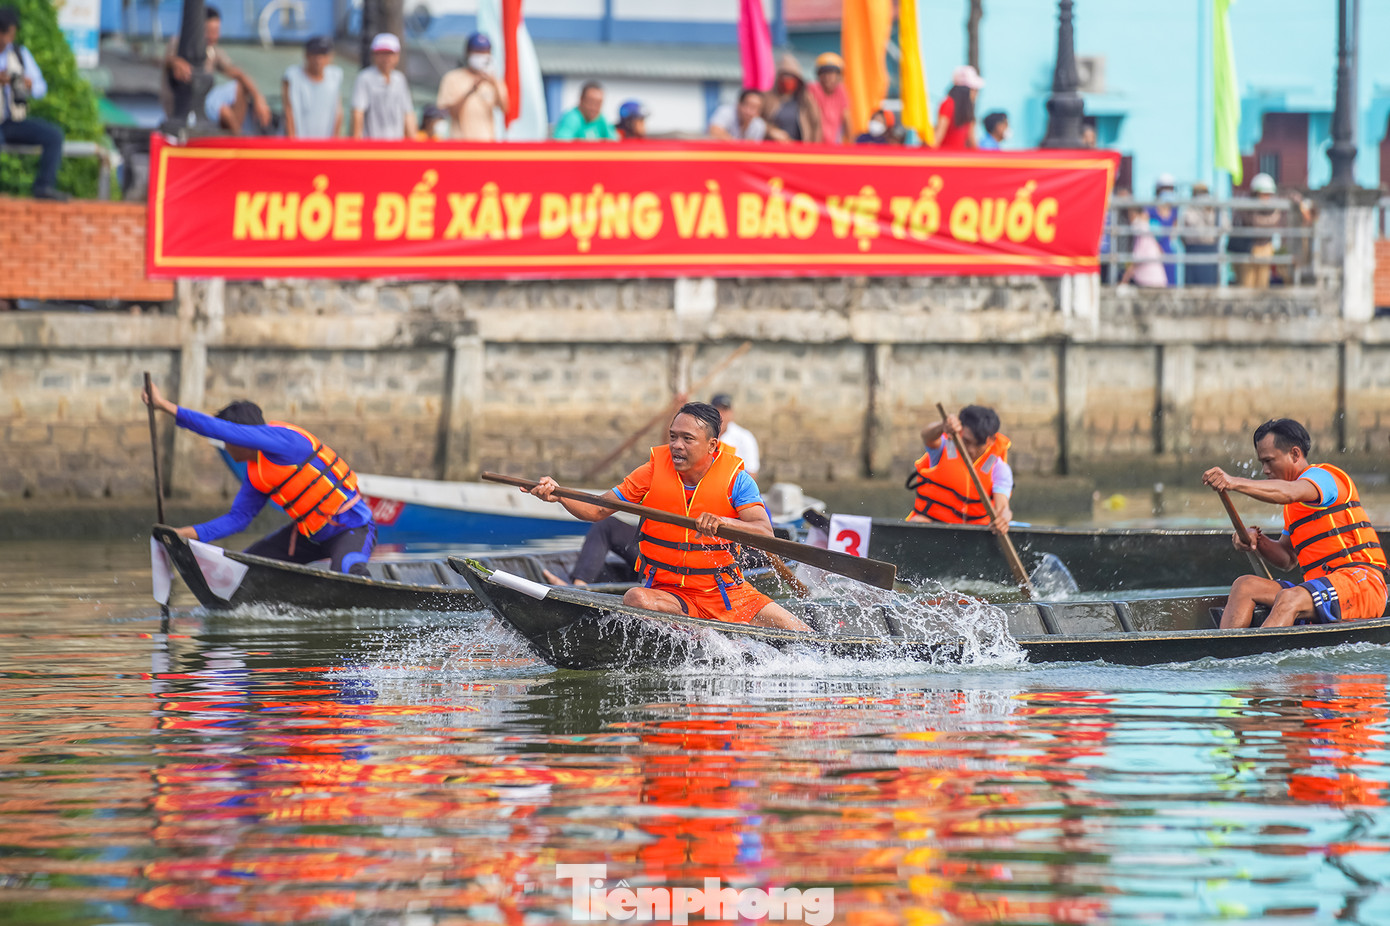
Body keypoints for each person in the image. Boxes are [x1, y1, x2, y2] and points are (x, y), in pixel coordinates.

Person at [525, 403, 809, 631]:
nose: (676, 445)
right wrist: (559, 495)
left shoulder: (738, 480)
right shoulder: (651, 472)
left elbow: (763, 532)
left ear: (712, 445)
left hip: (727, 593)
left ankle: (707, 630)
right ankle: (699, 632)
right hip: (670, 594)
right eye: (673, 436)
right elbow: (597, 510)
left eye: (687, 439)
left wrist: (725, 523)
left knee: (804, 635)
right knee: (635, 597)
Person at [140, 382, 377, 576]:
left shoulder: (284, 442)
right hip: (309, 537)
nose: (225, 445)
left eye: (228, 439)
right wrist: (180, 535)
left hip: (352, 527)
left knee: (348, 571)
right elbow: (238, 519)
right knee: (245, 566)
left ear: (242, 437)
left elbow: (220, 430)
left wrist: (163, 406)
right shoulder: (256, 474)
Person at [1202, 418, 1387, 629]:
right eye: (1261, 462)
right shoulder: (1294, 507)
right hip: (1320, 589)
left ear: (1295, 454)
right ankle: (1226, 655)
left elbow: (1288, 493)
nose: (1265, 470)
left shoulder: (1324, 477)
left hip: (1362, 584)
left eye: (1269, 461)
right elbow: (1288, 558)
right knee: (1244, 585)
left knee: (1290, 598)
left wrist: (1233, 482)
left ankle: (1262, 659)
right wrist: (1258, 540)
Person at [163, 6, 272, 134]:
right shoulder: (179, 44)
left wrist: (259, 98)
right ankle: (238, 137)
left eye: (217, 31)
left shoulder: (213, 51)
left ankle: (235, 137)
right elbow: (164, 61)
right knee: (223, 111)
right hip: (181, 108)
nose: (214, 36)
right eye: (210, 31)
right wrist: (175, 61)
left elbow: (237, 73)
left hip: (204, 104)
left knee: (239, 87)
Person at [906, 405, 1012, 533]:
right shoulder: (945, 447)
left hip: (974, 532)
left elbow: (1003, 508)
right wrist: (942, 426)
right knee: (917, 522)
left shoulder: (999, 468)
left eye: (978, 445)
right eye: (966, 441)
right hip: (934, 525)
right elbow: (927, 436)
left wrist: (1003, 520)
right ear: (960, 431)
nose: (971, 450)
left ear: (991, 440)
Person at [0, 8, 66, 201]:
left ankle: (43, 187)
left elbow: (40, 88)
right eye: (7, 33)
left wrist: (29, 84)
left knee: (54, 136)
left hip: (14, 120)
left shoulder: (19, 54)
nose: (9, 38)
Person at [435, 32, 507, 142]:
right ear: (468, 53)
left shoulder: (494, 80)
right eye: (477, 51)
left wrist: (494, 84)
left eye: (485, 51)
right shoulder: (452, 78)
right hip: (460, 145)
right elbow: (450, 113)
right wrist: (471, 90)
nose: (481, 55)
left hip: (487, 144)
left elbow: (506, 109)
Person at [351, 33, 415, 140]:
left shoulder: (399, 79)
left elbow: (408, 113)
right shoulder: (365, 78)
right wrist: (357, 141)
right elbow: (358, 112)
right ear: (374, 55)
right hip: (372, 145)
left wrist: (413, 142)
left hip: (397, 143)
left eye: (390, 53)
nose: (386, 58)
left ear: (397, 56)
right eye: (382, 53)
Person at [282, 36, 342, 139]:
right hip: (298, 143)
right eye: (315, 54)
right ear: (306, 55)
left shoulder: (335, 76)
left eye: (323, 54)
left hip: (325, 143)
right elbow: (288, 111)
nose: (318, 59)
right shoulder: (292, 76)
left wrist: (334, 142)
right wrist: (292, 144)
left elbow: (338, 112)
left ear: (330, 57)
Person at [1232, 172, 1281, 289]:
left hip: (1265, 248)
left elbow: (1266, 223)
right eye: (1263, 194)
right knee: (1246, 284)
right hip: (1248, 249)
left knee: (1262, 285)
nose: (1266, 198)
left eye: (1268, 194)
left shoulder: (1274, 210)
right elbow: (1251, 222)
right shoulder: (1245, 208)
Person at [762, 53, 821, 143]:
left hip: (800, 151)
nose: (787, 80)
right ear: (778, 78)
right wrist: (771, 131)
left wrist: (815, 150)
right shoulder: (767, 98)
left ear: (797, 80)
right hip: (773, 149)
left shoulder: (805, 99)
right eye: (784, 76)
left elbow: (816, 125)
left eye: (791, 77)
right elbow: (757, 122)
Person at [1180, 181, 1221, 286]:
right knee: (1192, 288)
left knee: (1211, 287)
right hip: (1193, 250)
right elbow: (1184, 231)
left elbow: (1223, 228)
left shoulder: (1215, 209)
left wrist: (1209, 210)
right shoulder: (1189, 210)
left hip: (1210, 250)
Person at [710, 394, 759, 481]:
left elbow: (752, 472)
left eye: (725, 410)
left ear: (731, 413)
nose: (721, 414)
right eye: (717, 409)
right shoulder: (701, 435)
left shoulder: (745, 437)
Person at [933, 65, 983, 150]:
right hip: (950, 158)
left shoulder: (966, 108)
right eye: (974, 89)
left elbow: (973, 142)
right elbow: (938, 138)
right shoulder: (948, 104)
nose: (976, 93)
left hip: (955, 158)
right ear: (965, 90)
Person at [1118, 204, 1168, 288]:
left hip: (1149, 281)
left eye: (1131, 214)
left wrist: (1124, 279)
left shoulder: (1140, 228)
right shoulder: (1146, 228)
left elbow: (1138, 258)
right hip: (1155, 279)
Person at [807, 52, 849, 144]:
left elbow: (847, 119)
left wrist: (851, 146)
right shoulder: (812, 90)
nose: (827, 77)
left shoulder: (841, 92)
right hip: (814, 144)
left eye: (831, 73)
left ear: (839, 76)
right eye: (823, 73)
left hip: (834, 146)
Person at [553, 81, 618, 141]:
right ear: (581, 100)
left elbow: (614, 142)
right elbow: (562, 144)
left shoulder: (602, 119)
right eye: (591, 102)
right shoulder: (572, 118)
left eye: (598, 103)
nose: (594, 107)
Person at [1147, 174, 1180, 286]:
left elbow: (1175, 229)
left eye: (1170, 189)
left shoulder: (1175, 209)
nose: (1167, 192)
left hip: (1168, 251)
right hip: (1153, 252)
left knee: (1170, 283)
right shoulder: (1150, 209)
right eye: (1165, 189)